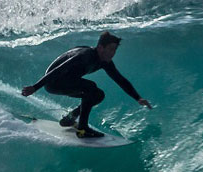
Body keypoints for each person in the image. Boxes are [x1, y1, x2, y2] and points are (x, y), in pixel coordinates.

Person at [22, 31, 152, 138]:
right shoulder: (85, 55)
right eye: (111, 49)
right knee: (90, 88)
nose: (113, 53)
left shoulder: (105, 61)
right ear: (100, 47)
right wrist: (35, 87)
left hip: (67, 82)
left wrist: (137, 98)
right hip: (54, 82)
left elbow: (120, 79)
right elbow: (58, 70)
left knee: (98, 95)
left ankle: (70, 118)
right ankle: (82, 129)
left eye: (115, 50)